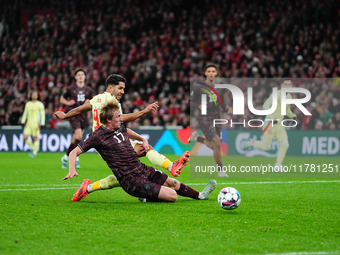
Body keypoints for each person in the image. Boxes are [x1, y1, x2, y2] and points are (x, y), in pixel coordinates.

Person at [55, 74, 189, 201]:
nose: (122, 92)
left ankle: (88, 188)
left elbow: (79, 109)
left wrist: (65, 115)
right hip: (110, 143)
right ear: (110, 87)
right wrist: (144, 111)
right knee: (144, 152)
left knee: (125, 173)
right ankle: (171, 166)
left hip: (110, 141)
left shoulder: (97, 98)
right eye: (120, 88)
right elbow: (122, 120)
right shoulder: (112, 102)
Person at [62, 101, 217, 202]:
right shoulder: (97, 136)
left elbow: (127, 130)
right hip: (130, 180)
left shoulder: (120, 126)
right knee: (172, 196)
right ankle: (145, 195)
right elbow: (74, 152)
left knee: (173, 183)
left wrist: (142, 138)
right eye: (118, 116)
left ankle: (200, 196)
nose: (121, 118)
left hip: (142, 169)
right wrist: (71, 169)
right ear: (108, 120)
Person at [243, 79, 297, 171]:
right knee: (266, 147)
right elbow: (265, 105)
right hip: (270, 123)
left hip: (279, 125)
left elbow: (286, 110)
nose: (287, 86)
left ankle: (277, 165)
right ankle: (252, 142)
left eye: (289, 84)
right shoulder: (276, 94)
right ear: (282, 86)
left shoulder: (289, 97)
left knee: (285, 144)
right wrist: (272, 117)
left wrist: (293, 116)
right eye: (286, 84)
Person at [189, 64, 231, 178]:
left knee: (215, 146)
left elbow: (221, 102)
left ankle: (196, 138)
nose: (211, 73)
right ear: (205, 73)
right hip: (204, 117)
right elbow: (191, 101)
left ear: (216, 73)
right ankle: (221, 171)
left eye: (213, 71)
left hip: (217, 116)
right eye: (209, 71)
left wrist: (226, 107)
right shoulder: (198, 87)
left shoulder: (220, 88)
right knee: (217, 142)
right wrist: (199, 105)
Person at [59, 68, 95, 169]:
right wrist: (68, 103)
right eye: (78, 75)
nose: (80, 76)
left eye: (82, 75)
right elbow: (61, 99)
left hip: (83, 115)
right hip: (73, 113)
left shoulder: (89, 90)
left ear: (84, 77)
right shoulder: (71, 88)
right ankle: (75, 158)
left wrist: (90, 101)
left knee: (75, 139)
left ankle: (66, 157)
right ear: (75, 77)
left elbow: (94, 100)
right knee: (79, 136)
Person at [21, 91, 45, 157]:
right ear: (31, 95)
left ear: (37, 96)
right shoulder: (28, 104)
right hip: (28, 123)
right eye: (33, 94)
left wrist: (42, 123)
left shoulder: (40, 104)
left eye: (35, 94)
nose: (34, 96)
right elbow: (25, 113)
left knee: (35, 138)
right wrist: (23, 121)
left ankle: (34, 152)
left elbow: (42, 114)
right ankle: (32, 147)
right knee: (25, 137)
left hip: (36, 124)